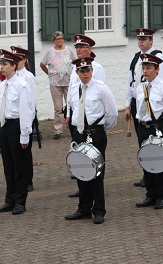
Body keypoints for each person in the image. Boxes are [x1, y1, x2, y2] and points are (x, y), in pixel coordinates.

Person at [64, 57, 117, 224]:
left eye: (87, 70)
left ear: (92, 71)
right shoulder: (73, 88)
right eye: (81, 71)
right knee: (81, 171)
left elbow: (112, 114)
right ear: (77, 72)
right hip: (79, 133)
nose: (85, 73)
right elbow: (72, 109)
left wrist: (100, 131)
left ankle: (99, 210)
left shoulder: (101, 89)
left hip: (95, 133)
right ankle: (84, 208)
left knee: (96, 173)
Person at [125, 28, 163, 188]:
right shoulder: (136, 58)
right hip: (138, 104)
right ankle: (147, 176)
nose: (141, 41)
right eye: (139, 39)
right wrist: (128, 104)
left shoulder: (158, 57)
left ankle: (156, 178)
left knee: (155, 146)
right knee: (142, 143)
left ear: (151, 40)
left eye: (144, 39)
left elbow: (162, 84)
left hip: (153, 107)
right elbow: (130, 82)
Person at [0, 49, 35, 215]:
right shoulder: (2, 86)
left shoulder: (22, 85)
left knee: (19, 166)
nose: (2, 68)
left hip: (16, 127)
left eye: (5, 64)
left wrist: (25, 135)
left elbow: (26, 111)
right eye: (1, 64)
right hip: (4, 127)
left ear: (13, 66)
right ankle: (9, 200)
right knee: (8, 166)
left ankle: (20, 201)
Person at [134, 53, 163, 210]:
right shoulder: (140, 88)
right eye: (143, 68)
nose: (145, 71)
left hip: (158, 128)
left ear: (157, 69)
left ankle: (161, 196)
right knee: (146, 161)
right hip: (143, 128)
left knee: (159, 163)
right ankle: (150, 194)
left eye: (149, 68)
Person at [67, 34, 106, 198]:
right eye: (76, 47)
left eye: (82, 47)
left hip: (92, 123)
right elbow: (71, 94)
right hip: (77, 119)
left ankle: (95, 191)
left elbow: (103, 99)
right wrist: (69, 113)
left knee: (96, 159)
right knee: (79, 156)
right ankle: (83, 188)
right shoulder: (74, 69)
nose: (79, 50)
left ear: (89, 49)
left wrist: (101, 125)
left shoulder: (97, 68)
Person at [39, 31, 76, 140]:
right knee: (58, 107)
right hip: (55, 83)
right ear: (54, 41)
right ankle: (58, 130)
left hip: (68, 82)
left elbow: (75, 62)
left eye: (61, 38)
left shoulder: (69, 50)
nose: (60, 40)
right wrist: (49, 74)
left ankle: (73, 128)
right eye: (58, 39)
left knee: (71, 105)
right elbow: (42, 64)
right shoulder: (50, 52)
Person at [11, 45, 37, 192]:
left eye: (19, 57)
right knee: (16, 152)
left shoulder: (28, 77)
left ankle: (28, 180)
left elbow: (31, 101)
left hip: (25, 118)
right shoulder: (13, 76)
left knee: (25, 151)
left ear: (24, 59)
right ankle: (18, 178)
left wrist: (30, 121)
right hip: (14, 120)